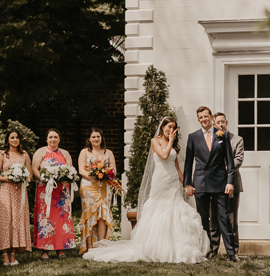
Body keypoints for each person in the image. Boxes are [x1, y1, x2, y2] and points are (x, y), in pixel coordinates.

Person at [84, 116, 209, 263]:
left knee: (176, 210)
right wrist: (170, 141)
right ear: (162, 128)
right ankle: (156, 248)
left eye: (173, 127)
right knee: (158, 211)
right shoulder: (155, 141)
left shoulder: (173, 144)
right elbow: (164, 155)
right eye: (168, 127)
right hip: (160, 181)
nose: (170, 130)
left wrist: (186, 184)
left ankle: (177, 247)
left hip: (173, 182)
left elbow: (177, 167)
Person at [184, 106, 238, 262]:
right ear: (198, 119)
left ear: (211, 117)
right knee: (203, 219)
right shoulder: (193, 137)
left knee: (224, 218)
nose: (203, 120)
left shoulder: (223, 135)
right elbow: (188, 163)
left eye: (205, 117)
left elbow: (230, 161)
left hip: (220, 183)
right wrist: (188, 184)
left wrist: (230, 182)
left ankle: (231, 253)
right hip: (200, 183)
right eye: (200, 118)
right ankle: (207, 250)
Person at [33, 129, 76, 260]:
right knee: (45, 218)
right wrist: (45, 178)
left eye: (55, 137)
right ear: (46, 139)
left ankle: (60, 248)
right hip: (45, 190)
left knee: (61, 219)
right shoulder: (41, 152)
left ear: (59, 139)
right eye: (50, 137)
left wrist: (65, 177)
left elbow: (70, 170)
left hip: (61, 192)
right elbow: (35, 169)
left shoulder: (65, 153)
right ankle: (44, 249)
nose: (53, 139)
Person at [0, 128, 33, 266]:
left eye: (17, 137)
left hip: (20, 192)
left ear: (20, 139)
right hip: (6, 190)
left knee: (17, 221)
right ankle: (4, 255)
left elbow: (30, 175)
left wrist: (22, 177)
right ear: (7, 140)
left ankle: (14, 254)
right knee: (6, 221)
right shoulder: (3, 154)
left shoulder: (24, 155)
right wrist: (9, 178)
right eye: (12, 137)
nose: (15, 140)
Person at [209, 112, 244, 256]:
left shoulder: (237, 139)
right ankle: (212, 251)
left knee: (231, 219)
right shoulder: (210, 139)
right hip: (213, 185)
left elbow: (238, 159)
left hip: (232, 184)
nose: (221, 124)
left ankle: (233, 252)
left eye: (223, 121)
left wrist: (223, 172)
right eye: (218, 122)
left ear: (226, 122)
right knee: (214, 220)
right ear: (214, 125)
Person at [78, 128, 116, 254]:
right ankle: (89, 245)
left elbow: (113, 169)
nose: (96, 139)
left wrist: (106, 177)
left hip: (104, 187)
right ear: (89, 139)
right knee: (90, 213)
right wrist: (95, 180)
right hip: (88, 186)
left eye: (98, 136)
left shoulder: (108, 152)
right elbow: (81, 170)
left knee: (102, 215)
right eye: (93, 137)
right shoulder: (85, 152)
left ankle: (101, 244)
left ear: (101, 137)